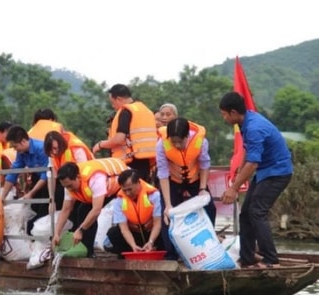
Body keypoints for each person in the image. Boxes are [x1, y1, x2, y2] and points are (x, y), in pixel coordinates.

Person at [219, 92, 293, 268]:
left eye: (224, 114)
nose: (224, 118)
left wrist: (233, 188)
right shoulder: (247, 121)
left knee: (257, 212)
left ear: (234, 112)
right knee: (245, 214)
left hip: (277, 172)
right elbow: (249, 151)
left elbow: (252, 163)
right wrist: (240, 167)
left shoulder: (254, 128)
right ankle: (247, 257)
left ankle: (270, 260)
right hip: (265, 171)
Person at [156, 117, 216, 260]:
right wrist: (168, 204)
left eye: (180, 141)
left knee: (210, 208)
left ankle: (210, 247)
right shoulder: (161, 145)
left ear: (187, 136)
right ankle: (171, 254)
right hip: (172, 179)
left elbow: (204, 165)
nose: (177, 145)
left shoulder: (201, 141)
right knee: (168, 214)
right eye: (173, 141)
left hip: (195, 177)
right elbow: (162, 173)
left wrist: (202, 189)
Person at [52, 158, 129, 257]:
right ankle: (87, 252)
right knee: (82, 211)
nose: (68, 189)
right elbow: (66, 209)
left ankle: (122, 251)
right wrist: (57, 233)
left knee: (120, 215)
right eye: (66, 187)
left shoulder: (95, 179)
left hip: (118, 185)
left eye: (70, 186)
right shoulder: (68, 184)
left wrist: (80, 230)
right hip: (99, 192)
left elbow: (96, 210)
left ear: (78, 177)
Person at [92, 84, 157, 182]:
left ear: (118, 99)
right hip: (145, 162)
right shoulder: (146, 110)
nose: (113, 106)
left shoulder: (125, 112)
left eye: (112, 103)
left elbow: (119, 139)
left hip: (131, 163)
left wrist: (101, 145)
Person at [0, 125, 51, 234]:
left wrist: (31, 193)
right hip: (37, 178)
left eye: (15, 146)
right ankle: (31, 239)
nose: (15, 150)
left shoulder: (42, 149)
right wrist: (2, 197)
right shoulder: (21, 152)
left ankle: (43, 242)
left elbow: (46, 175)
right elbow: (13, 172)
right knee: (32, 210)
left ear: (23, 141)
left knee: (43, 210)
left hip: (51, 181)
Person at [104, 169, 162, 256]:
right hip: (134, 234)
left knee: (166, 228)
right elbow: (124, 228)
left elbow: (158, 223)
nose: (127, 193)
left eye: (130, 189)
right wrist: (133, 245)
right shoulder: (119, 200)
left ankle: (155, 248)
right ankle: (132, 251)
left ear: (138, 183)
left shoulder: (154, 195)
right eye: (124, 190)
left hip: (152, 232)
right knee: (113, 233)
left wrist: (151, 242)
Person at [43, 130, 94, 212]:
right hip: (69, 182)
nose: (54, 152)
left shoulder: (76, 149)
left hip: (85, 182)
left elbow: (83, 174)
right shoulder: (52, 155)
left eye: (55, 148)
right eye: (50, 150)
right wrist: (51, 200)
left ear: (61, 144)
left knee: (78, 210)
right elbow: (51, 176)